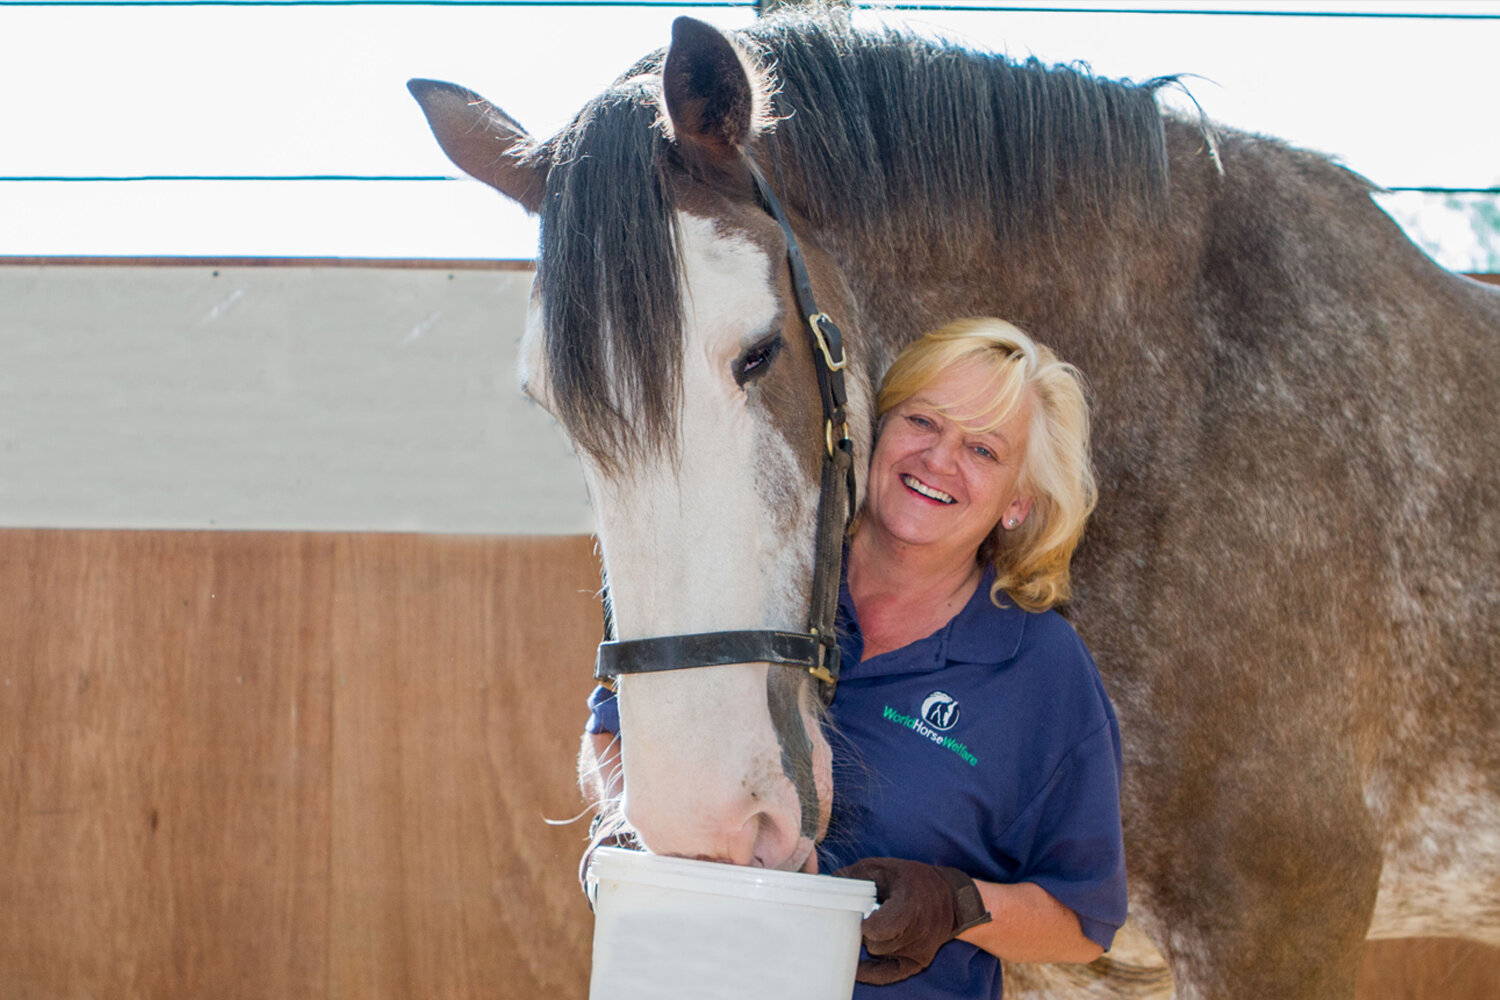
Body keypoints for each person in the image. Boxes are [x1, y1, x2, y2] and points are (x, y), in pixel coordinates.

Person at [581, 317, 1126, 996]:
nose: (938, 459)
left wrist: (954, 904)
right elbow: (612, 731)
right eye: (923, 421)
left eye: (983, 450)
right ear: (870, 431)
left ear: (1018, 502)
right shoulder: (753, 578)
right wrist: (628, 827)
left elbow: (1082, 920)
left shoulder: (1041, 672)